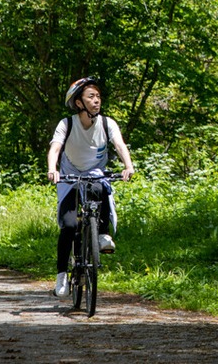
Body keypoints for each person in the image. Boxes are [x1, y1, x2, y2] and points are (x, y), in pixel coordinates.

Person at [46, 76, 135, 299]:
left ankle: (102, 234)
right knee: (68, 225)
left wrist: (128, 166)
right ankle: (61, 276)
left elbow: (120, 145)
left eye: (98, 97)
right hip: (70, 176)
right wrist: (52, 169)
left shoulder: (107, 123)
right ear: (79, 103)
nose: (97, 101)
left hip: (95, 173)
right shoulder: (67, 124)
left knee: (101, 188)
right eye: (91, 97)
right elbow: (55, 148)